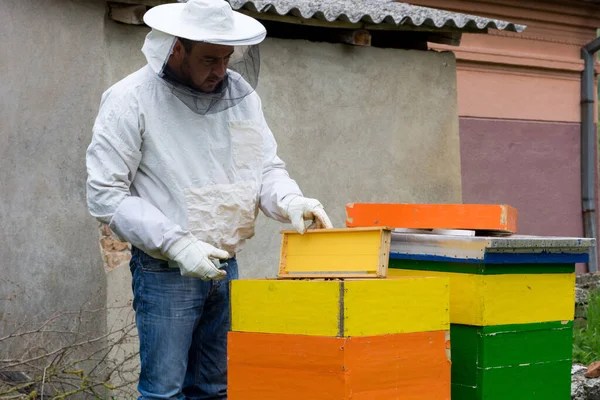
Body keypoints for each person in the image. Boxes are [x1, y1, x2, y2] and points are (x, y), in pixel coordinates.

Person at [85, 0, 333, 398]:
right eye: (209, 59)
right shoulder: (129, 98)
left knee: (215, 389)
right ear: (177, 49)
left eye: (227, 58)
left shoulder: (241, 95)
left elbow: (263, 167)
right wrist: (176, 243)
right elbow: (106, 195)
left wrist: (290, 201)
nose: (220, 70)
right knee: (164, 392)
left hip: (225, 265)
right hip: (166, 271)